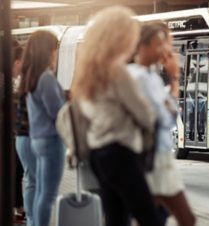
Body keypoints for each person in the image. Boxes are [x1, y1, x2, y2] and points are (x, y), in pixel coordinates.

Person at [70, 6, 162, 226]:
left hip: (98, 154)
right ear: (119, 37)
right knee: (149, 216)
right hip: (121, 153)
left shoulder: (87, 72)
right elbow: (145, 115)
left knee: (115, 217)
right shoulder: (117, 71)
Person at [127, 21, 196, 226]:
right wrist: (174, 77)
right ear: (142, 45)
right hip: (153, 158)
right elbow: (165, 118)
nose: (163, 50)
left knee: (154, 218)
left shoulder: (150, 76)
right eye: (159, 44)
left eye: (165, 44)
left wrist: (174, 79)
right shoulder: (137, 76)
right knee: (184, 219)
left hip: (159, 157)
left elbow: (170, 112)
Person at [20, 30, 65, 226]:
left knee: (40, 191)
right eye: (55, 49)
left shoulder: (31, 75)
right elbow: (58, 111)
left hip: (38, 139)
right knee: (48, 195)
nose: (56, 54)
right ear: (49, 51)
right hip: (51, 140)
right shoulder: (46, 77)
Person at [12, 40, 32, 225]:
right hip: (10, 135)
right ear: (17, 63)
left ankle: (19, 207)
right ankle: (18, 208)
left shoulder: (14, 81)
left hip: (15, 134)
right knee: (15, 172)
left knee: (18, 172)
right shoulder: (6, 82)